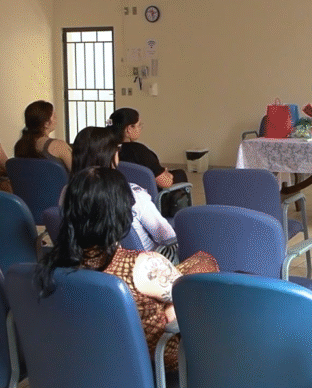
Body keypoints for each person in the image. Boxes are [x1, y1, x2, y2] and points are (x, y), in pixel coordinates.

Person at [35, 166, 217, 370]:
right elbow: (194, 300)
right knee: (205, 264)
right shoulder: (143, 265)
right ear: (122, 211)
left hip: (90, 363)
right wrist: (172, 307)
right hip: (154, 364)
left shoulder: (51, 268)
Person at [70, 126, 176, 254]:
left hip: (89, 266)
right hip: (139, 266)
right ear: (110, 155)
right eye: (117, 149)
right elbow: (168, 237)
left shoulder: (68, 192)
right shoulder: (132, 195)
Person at [109, 107, 189, 217]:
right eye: (139, 125)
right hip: (148, 205)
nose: (140, 128)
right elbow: (165, 183)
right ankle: (182, 217)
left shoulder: (106, 149)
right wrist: (168, 175)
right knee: (180, 174)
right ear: (129, 129)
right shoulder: (138, 151)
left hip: (119, 202)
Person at [13, 100, 72, 173]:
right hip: (58, 184)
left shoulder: (19, 146)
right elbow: (78, 172)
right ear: (46, 123)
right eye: (54, 116)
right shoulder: (58, 145)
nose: (56, 119)